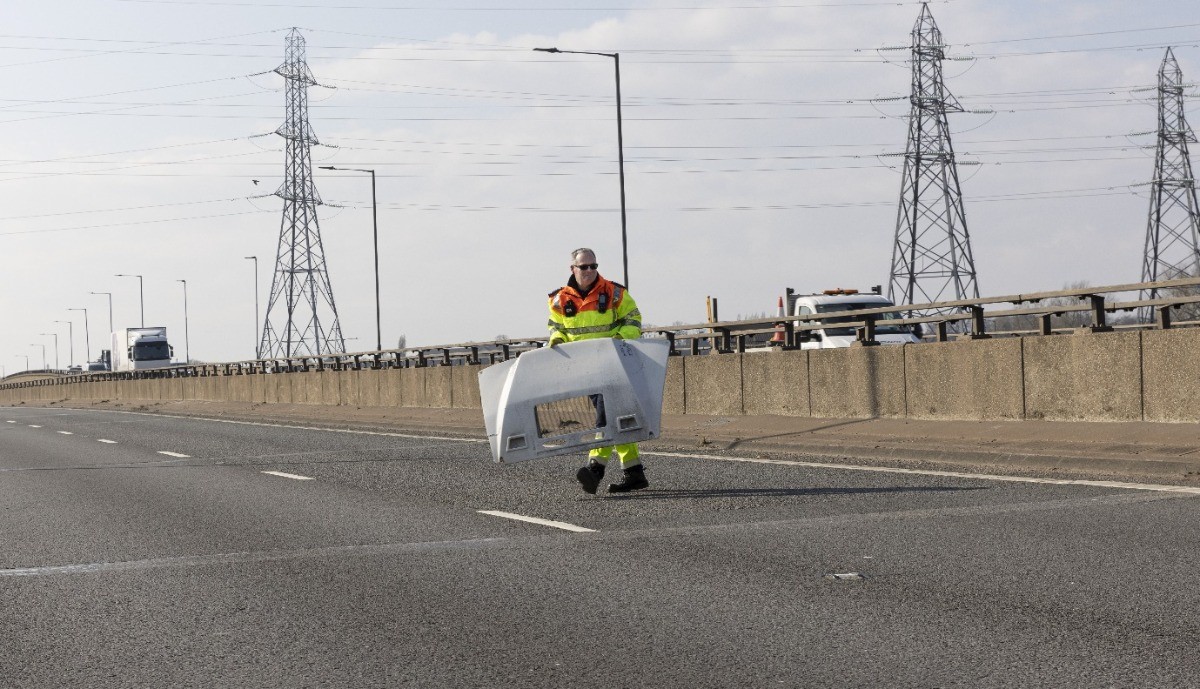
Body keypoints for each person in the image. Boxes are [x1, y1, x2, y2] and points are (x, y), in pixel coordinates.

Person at [547, 248, 648, 494]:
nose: (590, 271)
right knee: (617, 417)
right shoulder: (559, 299)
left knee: (607, 414)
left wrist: (617, 339)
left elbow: (634, 321)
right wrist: (557, 340)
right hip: (584, 370)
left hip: (614, 366)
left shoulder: (614, 292)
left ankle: (595, 468)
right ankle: (634, 472)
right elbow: (555, 328)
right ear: (573, 269)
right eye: (584, 267)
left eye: (594, 266)